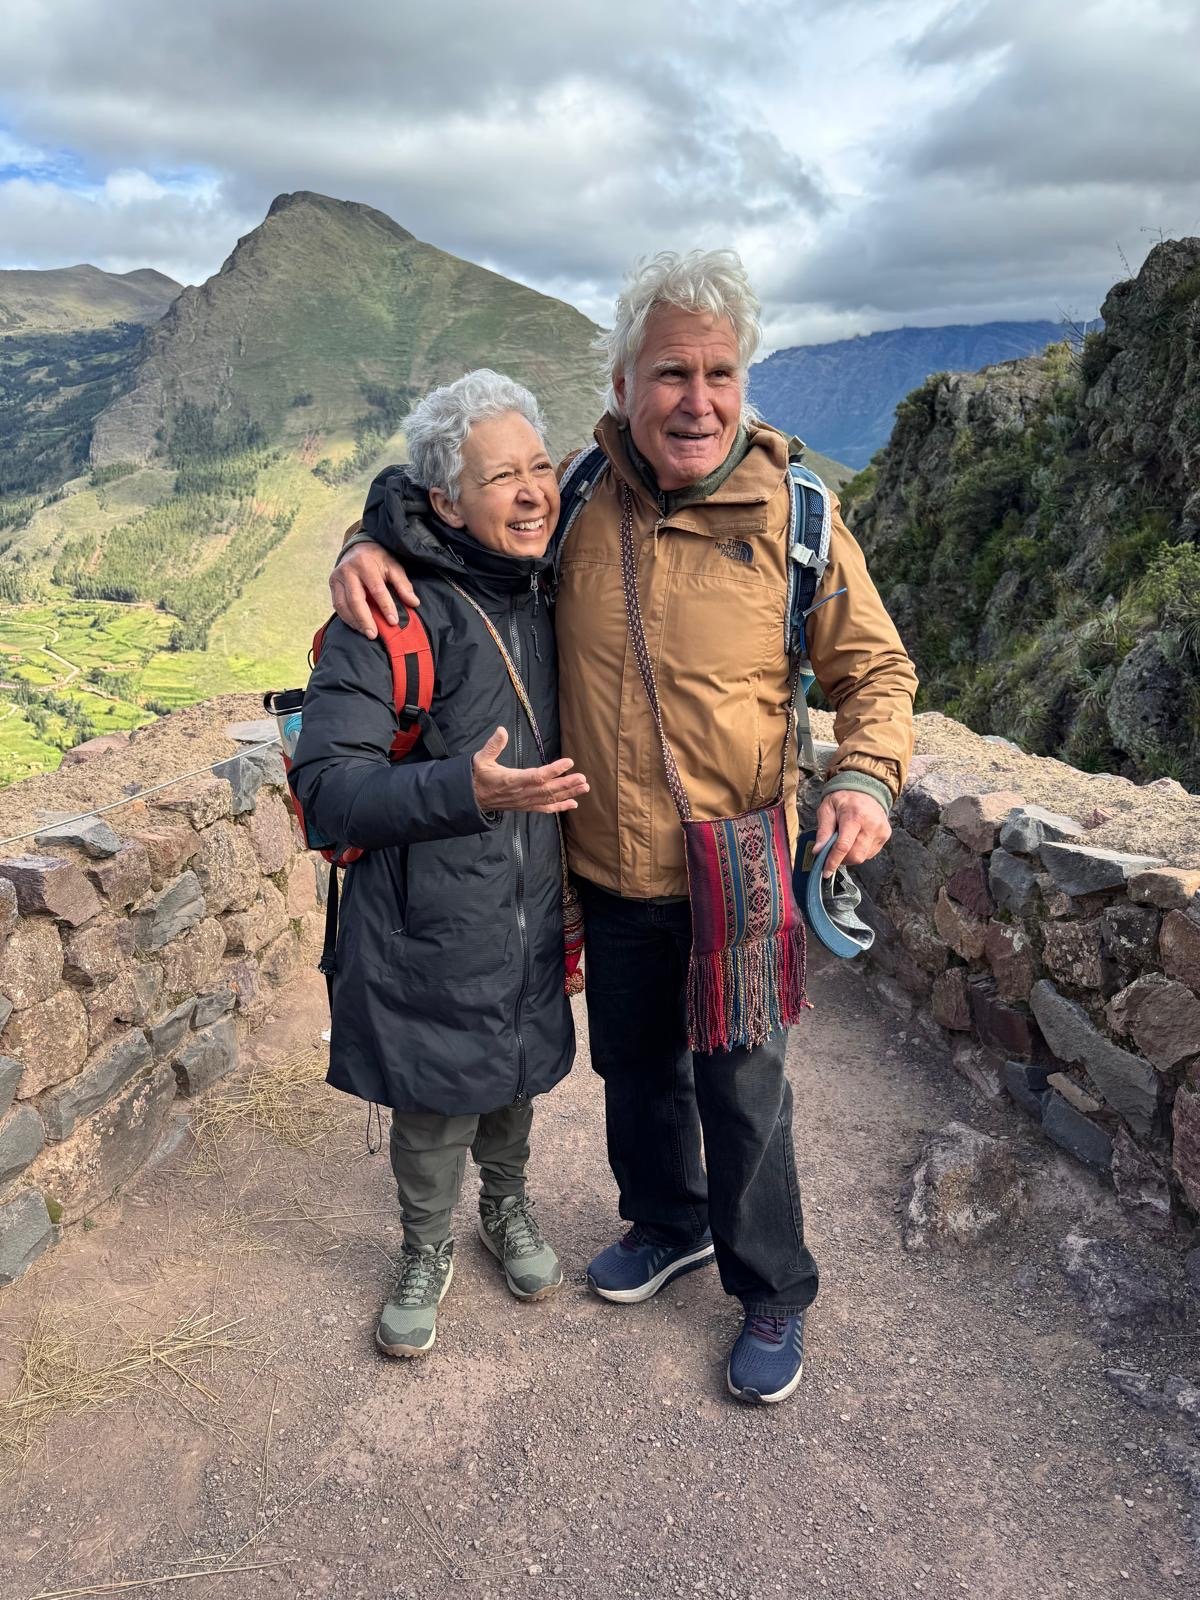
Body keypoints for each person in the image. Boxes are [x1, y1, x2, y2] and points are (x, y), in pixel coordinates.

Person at [328, 252, 919, 1403]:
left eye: (719, 372)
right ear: (624, 381)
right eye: (670, 373)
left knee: (744, 1087)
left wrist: (867, 779)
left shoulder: (799, 516)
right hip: (609, 861)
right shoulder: (583, 500)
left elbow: (876, 669)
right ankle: (667, 1221)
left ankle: (771, 1290)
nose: (696, 399)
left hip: (736, 858)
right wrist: (366, 538)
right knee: (635, 1065)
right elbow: (459, 527)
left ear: (745, 380)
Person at [289, 370, 588, 1360]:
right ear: (446, 502)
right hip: (425, 923)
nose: (535, 490)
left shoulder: (548, 580)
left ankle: (506, 1208)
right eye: (503, 476)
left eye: (541, 465)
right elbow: (327, 789)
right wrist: (467, 790)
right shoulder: (389, 611)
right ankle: (423, 1245)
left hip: (529, 908)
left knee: (513, 1081)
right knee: (431, 1104)